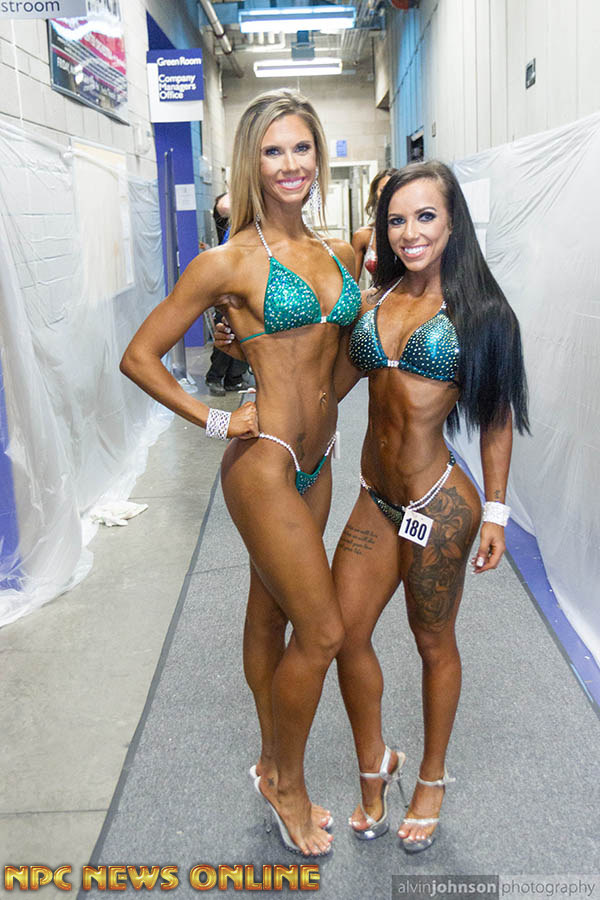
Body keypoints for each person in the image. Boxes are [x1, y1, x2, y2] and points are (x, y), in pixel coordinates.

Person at [120, 88, 361, 857]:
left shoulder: (339, 254)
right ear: (251, 163)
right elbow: (139, 356)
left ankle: (267, 759)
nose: (290, 164)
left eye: (301, 148)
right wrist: (219, 419)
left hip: (320, 462)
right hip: (265, 465)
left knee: (271, 615)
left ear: (318, 156)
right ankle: (287, 783)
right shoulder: (226, 262)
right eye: (273, 150)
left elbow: (340, 362)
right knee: (322, 630)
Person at [331, 161, 529, 854]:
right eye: (396, 219)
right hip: (374, 499)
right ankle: (375, 760)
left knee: (432, 641)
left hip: (438, 505)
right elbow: (332, 382)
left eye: (425, 217)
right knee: (341, 634)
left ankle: (432, 777)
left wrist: (496, 512)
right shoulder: (377, 298)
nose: (409, 233)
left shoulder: (482, 314)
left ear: (452, 223)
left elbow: (496, 417)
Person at [205, 193, 250, 396]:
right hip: (229, 284)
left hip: (248, 283)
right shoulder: (226, 220)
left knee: (246, 334)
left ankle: (234, 379)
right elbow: (224, 206)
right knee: (226, 332)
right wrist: (242, 190)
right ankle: (214, 377)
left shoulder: (255, 227)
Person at [351, 169, 395, 281]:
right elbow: (351, 286)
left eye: (394, 190)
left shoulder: (412, 234)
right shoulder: (363, 236)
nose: (388, 195)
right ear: (375, 194)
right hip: (376, 291)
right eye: (383, 190)